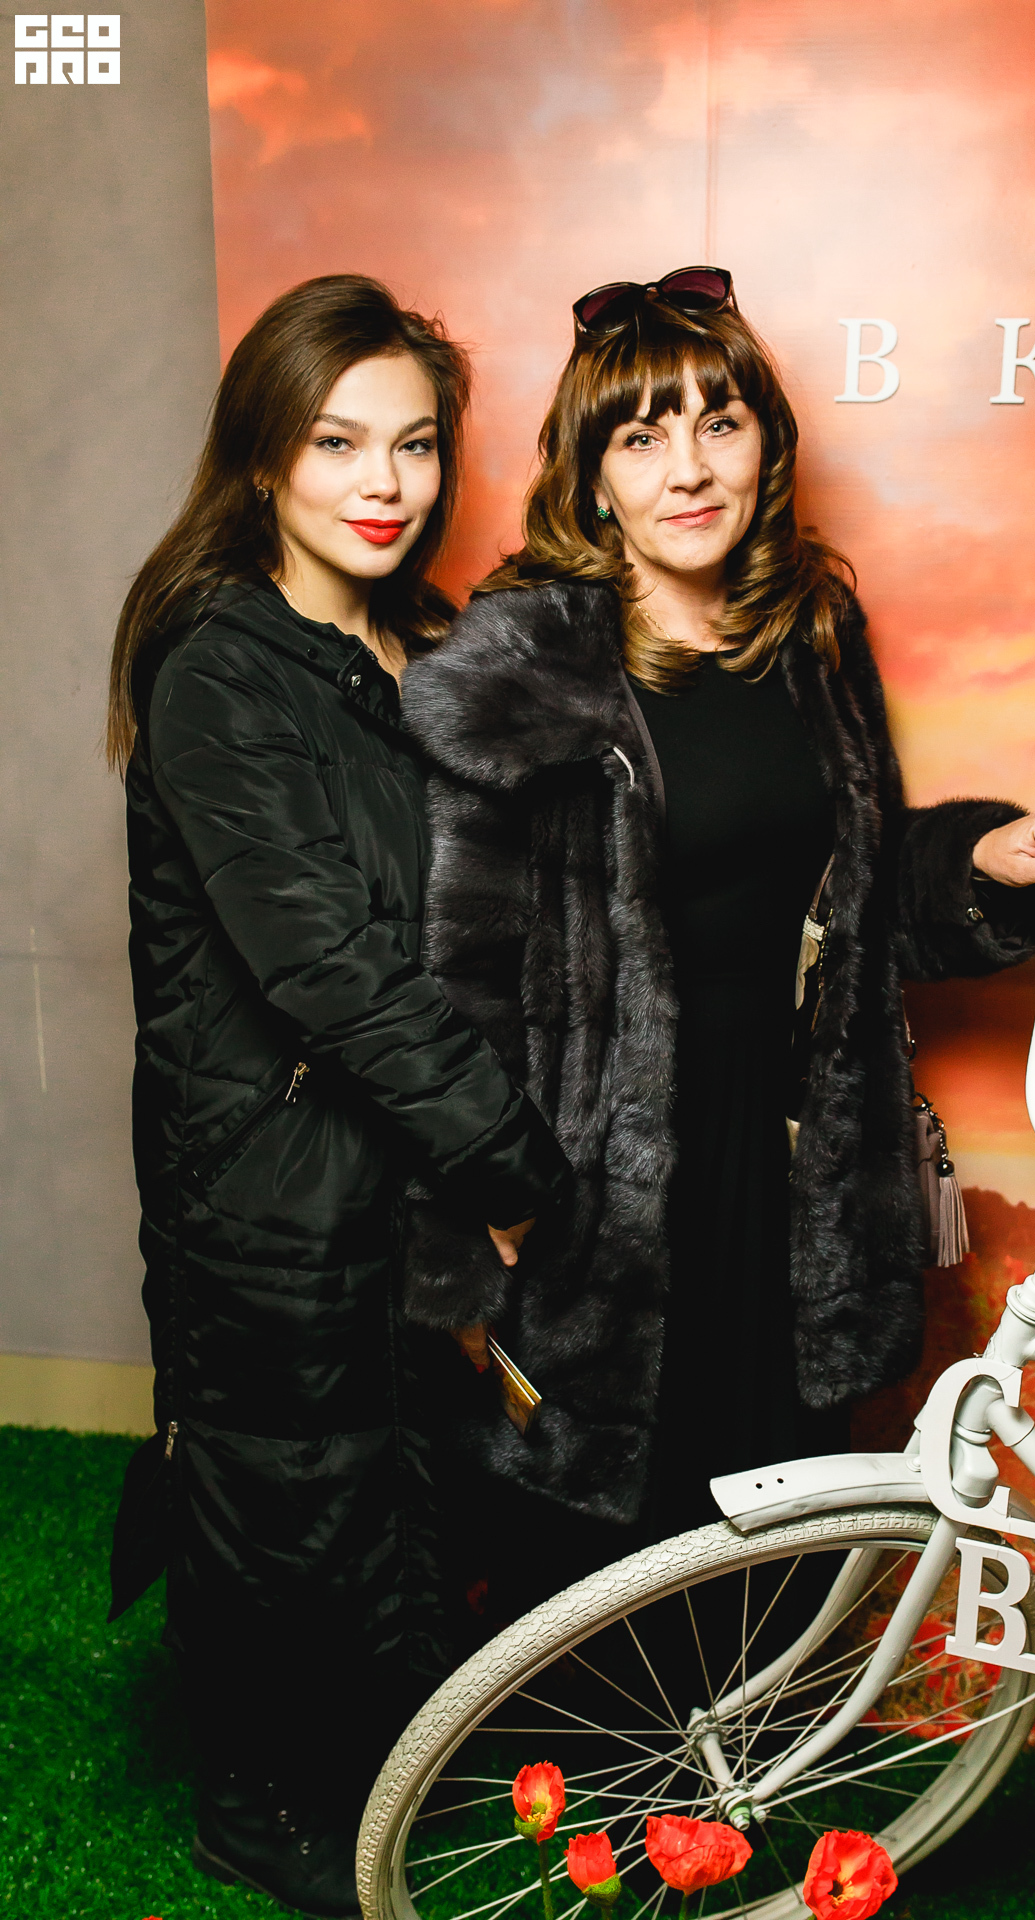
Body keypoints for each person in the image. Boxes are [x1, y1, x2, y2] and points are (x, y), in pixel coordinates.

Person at [398, 266, 1035, 1621]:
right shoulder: (525, 669)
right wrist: (476, 1204)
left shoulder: (812, 633)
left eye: (719, 423)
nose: (688, 469)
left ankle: (753, 1757)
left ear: (767, 442)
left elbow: (863, 892)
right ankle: (584, 1758)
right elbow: (460, 967)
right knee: (595, 1557)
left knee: (771, 1531)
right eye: (641, 436)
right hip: (592, 1183)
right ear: (591, 475)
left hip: (789, 1167)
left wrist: (977, 860)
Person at [105, 274, 567, 1920]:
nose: (385, 481)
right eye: (337, 442)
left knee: (400, 1465)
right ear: (262, 459)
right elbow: (333, 968)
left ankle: (373, 1749)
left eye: (416, 444)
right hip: (272, 1166)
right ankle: (262, 1801)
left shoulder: (424, 646)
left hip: (400, 1155)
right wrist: (516, 1167)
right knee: (285, 1472)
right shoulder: (221, 672)